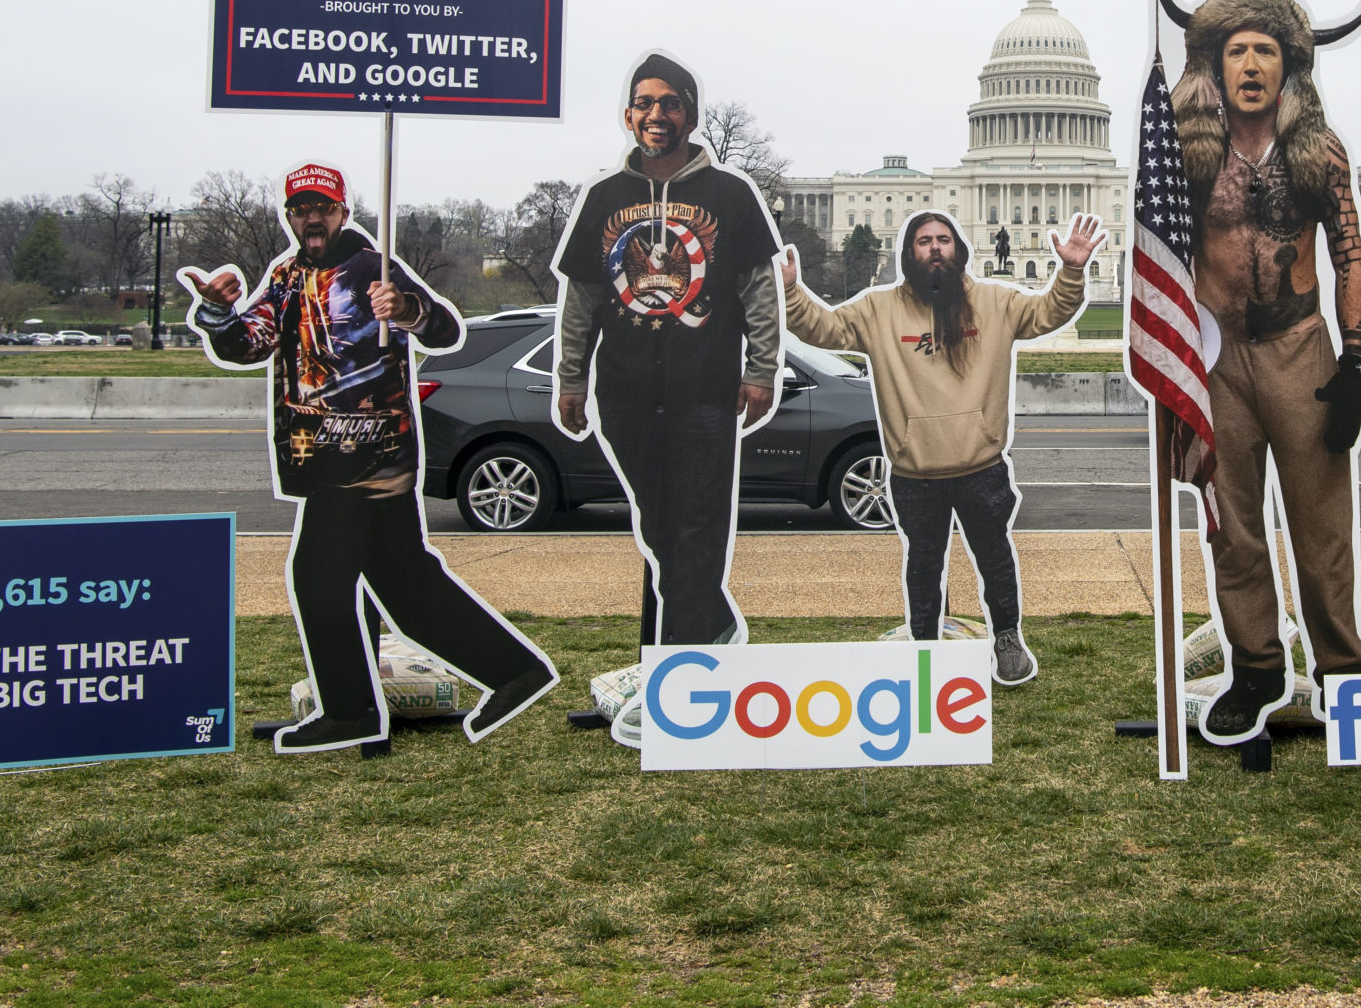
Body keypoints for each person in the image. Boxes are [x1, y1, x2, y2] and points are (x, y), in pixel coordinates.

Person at [182, 164, 558, 753]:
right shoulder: (286, 274)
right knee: (405, 586)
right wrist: (219, 314)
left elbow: (444, 328)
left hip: (370, 455)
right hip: (321, 455)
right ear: (289, 216)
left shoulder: (370, 266)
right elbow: (246, 344)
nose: (312, 217)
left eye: (323, 207)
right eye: (301, 208)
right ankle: (511, 673)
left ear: (342, 212)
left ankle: (352, 712)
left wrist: (405, 308)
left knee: (319, 580)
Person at [1170, 0, 1361, 740]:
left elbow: (1353, 256)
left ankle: (1343, 670)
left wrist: (1356, 362)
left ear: (1288, 65)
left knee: (1322, 524)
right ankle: (1256, 666)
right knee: (1232, 525)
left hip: (1299, 346)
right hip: (1217, 352)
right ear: (1214, 65)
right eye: (1238, 51)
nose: (1252, 65)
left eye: (1266, 50)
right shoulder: (1187, 156)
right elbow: (1157, 258)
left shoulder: (1318, 150)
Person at [780, 209, 1099, 683]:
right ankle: (924, 644)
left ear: (959, 249)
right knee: (924, 565)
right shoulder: (878, 310)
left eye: (943, 240)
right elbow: (823, 329)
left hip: (980, 461)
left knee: (994, 556)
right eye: (924, 241)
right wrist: (790, 290)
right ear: (909, 252)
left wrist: (1070, 270)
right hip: (915, 467)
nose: (935, 248)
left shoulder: (993, 302)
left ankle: (1008, 639)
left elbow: (1048, 312)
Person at [553, 52, 783, 651]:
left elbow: (759, 292)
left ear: (691, 115)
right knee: (658, 528)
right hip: (625, 392)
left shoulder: (729, 194)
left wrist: (762, 370)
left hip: (705, 390)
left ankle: (685, 670)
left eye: (670, 103)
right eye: (645, 103)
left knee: (698, 529)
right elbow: (581, 298)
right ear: (628, 117)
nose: (657, 114)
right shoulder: (604, 197)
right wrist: (570, 379)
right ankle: (710, 629)